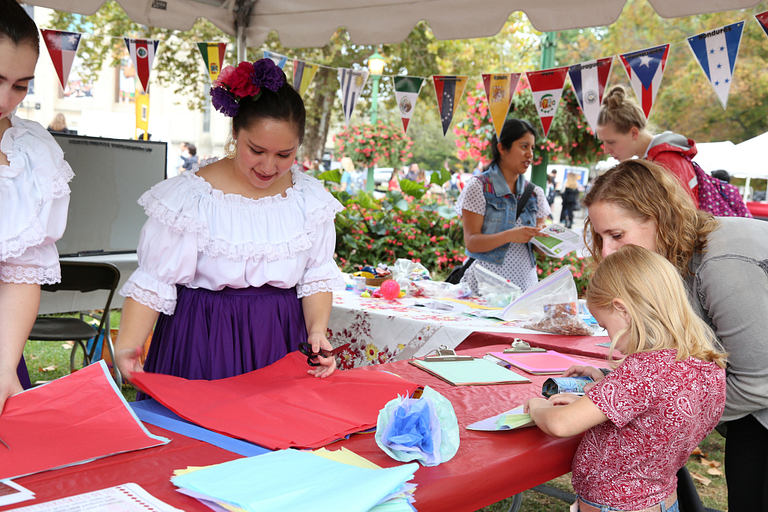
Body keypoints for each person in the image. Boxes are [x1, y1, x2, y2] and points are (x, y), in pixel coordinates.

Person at [114, 58, 344, 386]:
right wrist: (127, 345)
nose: (269, 166)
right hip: (204, 336)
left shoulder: (308, 199)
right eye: (257, 150)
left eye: (284, 154)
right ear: (236, 133)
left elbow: (316, 277)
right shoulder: (192, 197)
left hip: (278, 336)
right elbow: (154, 280)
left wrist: (317, 330)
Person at [581, 158, 768, 511]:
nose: (606, 251)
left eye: (616, 235)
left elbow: (759, 380)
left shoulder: (719, 263)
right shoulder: (671, 263)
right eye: (599, 237)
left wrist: (651, 413)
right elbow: (675, 366)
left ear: (659, 217)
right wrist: (623, 389)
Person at [525, 244, 727, 512]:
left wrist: (538, 407)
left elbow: (561, 424)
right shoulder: (706, 366)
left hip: (617, 506)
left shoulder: (642, 371)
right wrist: (603, 384)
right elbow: (657, 408)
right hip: (664, 499)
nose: (608, 337)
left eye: (606, 326)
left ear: (623, 310)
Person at [0, 0, 74, 413]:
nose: (5, 99)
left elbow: (20, 271)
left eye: (19, 85)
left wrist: (4, 364)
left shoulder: (30, 152)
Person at [454, 118, 550, 294]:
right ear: (502, 148)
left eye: (532, 148)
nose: (530, 154)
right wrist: (510, 235)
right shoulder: (479, 186)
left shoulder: (536, 193)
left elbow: (539, 250)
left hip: (524, 286)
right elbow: (472, 243)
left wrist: (546, 239)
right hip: (483, 287)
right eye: (523, 146)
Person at [596, 85, 699, 208]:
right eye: (603, 142)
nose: (606, 149)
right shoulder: (654, 158)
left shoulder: (665, 161)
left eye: (611, 142)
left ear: (634, 133)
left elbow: (683, 218)